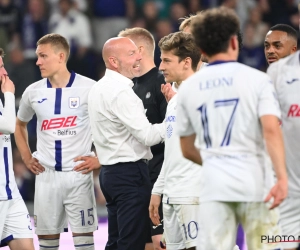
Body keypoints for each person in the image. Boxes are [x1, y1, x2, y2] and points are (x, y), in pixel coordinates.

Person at [176, 7, 287, 250]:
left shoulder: (188, 88)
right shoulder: (258, 80)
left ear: (201, 49)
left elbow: (186, 148)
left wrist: (218, 162)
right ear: (235, 42)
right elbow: (271, 131)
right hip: (256, 182)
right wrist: (282, 177)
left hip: (214, 184)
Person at [15, 33, 99, 250]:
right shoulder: (33, 92)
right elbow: (19, 124)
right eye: (37, 56)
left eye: (43, 56)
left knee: (84, 243)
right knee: (47, 244)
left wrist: (100, 158)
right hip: (46, 176)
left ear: (61, 56)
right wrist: (25, 156)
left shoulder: (90, 88)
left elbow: (110, 126)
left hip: (78, 174)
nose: (37, 61)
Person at [88, 37, 165, 250]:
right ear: (114, 61)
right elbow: (148, 136)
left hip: (110, 175)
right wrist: (173, 121)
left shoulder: (98, 88)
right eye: (131, 54)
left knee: (116, 242)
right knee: (131, 243)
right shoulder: (121, 92)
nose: (139, 56)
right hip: (130, 175)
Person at [149, 31, 201, 250]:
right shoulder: (174, 100)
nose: (160, 66)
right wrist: (158, 190)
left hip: (194, 196)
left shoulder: (202, 97)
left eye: (166, 60)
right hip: (172, 196)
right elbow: (172, 151)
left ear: (186, 62)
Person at [118, 27, 166, 250]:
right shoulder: (127, 88)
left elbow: (172, 134)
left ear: (138, 50)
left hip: (161, 181)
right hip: (136, 182)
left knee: (160, 244)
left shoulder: (163, 83)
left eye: (124, 51)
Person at [266, 8, 300, 250]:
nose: (270, 50)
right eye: (267, 45)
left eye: (277, 45)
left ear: (293, 49)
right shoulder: (265, 82)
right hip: (280, 188)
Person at [0, 48, 34, 250]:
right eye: (0, 67)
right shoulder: (6, 97)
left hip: (11, 194)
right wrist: (10, 95)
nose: (4, 72)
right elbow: (7, 126)